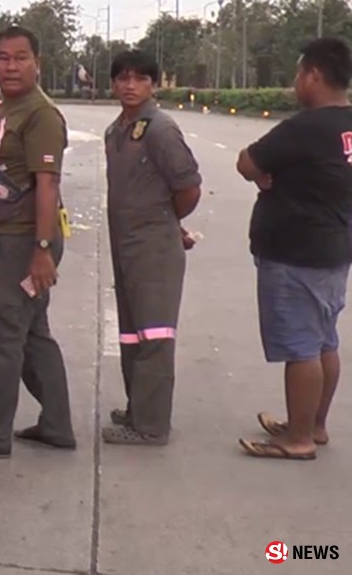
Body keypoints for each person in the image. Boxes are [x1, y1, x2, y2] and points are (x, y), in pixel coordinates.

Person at [0, 25, 75, 457]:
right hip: (10, 238)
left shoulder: (40, 115)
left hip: (19, 243)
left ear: (37, 64)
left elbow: (47, 185)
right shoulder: (9, 108)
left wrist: (42, 251)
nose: (10, 66)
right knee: (30, 335)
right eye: (3, 58)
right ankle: (56, 425)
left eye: (20, 57)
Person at [234, 37, 352, 461]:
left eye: (299, 73)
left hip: (296, 252)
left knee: (302, 347)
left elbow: (248, 162)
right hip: (335, 248)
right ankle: (314, 424)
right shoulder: (347, 125)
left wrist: (264, 175)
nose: (295, 82)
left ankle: (297, 438)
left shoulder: (306, 127)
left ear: (314, 75)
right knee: (323, 341)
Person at [102, 50, 202, 446]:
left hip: (153, 245)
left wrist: (166, 223)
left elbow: (188, 188)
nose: (130, 86)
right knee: (131, 334)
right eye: (123, 78)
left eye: (140, 78)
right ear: (113, 83)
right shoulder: (117, 130)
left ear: (153, 85)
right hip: (125, 243)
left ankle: (151, 426)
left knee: (155, 335)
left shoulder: (160, 129)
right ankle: (138, 408)